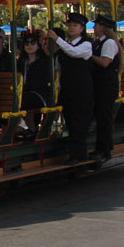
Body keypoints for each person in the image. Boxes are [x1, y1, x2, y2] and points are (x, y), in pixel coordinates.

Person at [46, 12, 93, 163]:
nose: (71, 28)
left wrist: (56, 39)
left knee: (79, 123)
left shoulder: (85, 44)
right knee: (70, 122)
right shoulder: (65, 45)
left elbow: (74, 53)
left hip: (81, 90)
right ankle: (75, 154)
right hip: (67, 90)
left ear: (82, 28)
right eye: (70, 25)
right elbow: (58, 68)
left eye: (75, 25)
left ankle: (79, 155)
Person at [91, 14, 121, 162]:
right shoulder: (98, 42)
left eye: (96, 25)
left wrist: (88, 55)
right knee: (100, 116)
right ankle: (103, 147)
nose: (94, 27)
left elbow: (104, 62)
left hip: (106, 85)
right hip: (100, 83)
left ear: (103, 27)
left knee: (104, 117)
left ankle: (104, 149)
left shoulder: (108, 43)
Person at [16, 30, 52, 138]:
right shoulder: (21, 62)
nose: (29, 45)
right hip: (23, 92)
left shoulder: (43, 62)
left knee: (26, 100)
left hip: (39, 93)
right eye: (27, 43)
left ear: (38, 46)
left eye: (32, 43)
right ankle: (24, 128)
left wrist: (27, 88)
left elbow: (43, 81)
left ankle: (32, 128)